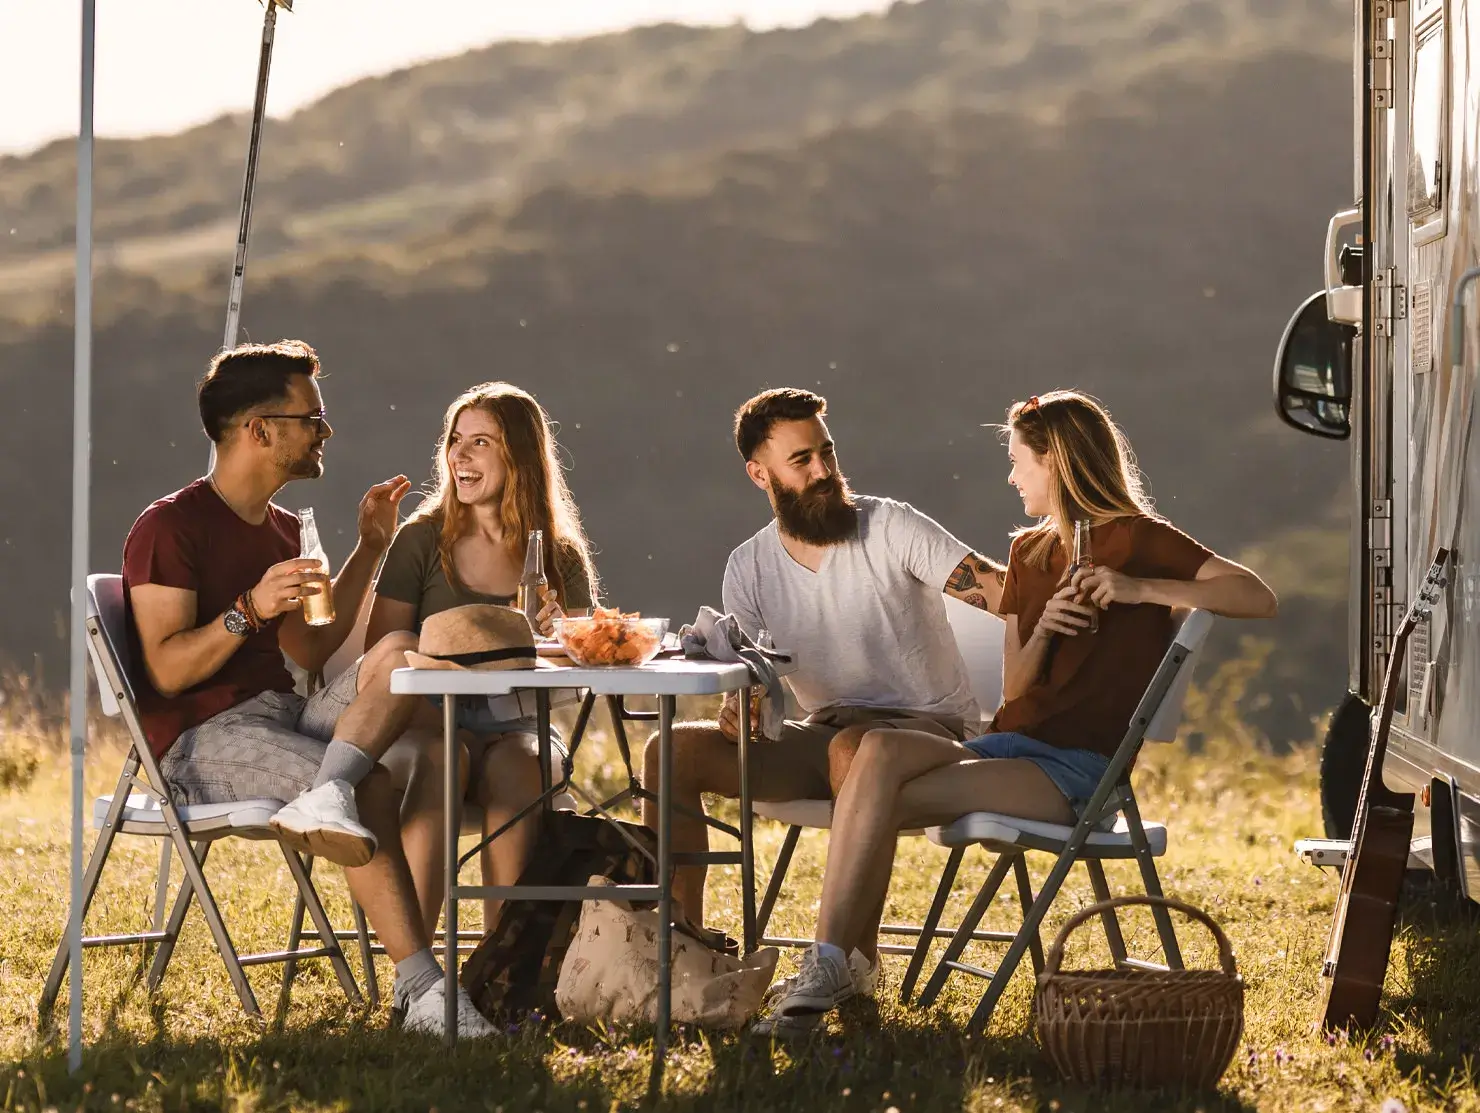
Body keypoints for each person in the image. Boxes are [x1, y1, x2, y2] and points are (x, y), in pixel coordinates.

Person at [759, 389, 1279, 1030]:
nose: (1010, 476)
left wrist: (1139, 588)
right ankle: (840, 965)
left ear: (1056, 464)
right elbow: (1014, 691)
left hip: (1076, 769)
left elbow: (1256, 596)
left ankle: (833, 966)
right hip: (1005, 746)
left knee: (870, 791)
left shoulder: (1137, 540)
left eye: (1019, 462)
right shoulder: (1030, 554)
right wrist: (1045, 630)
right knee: (878, 750)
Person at [123, 339, 495, 1037]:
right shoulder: (170, 525)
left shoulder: (287, 529)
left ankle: (335, 796)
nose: (326, 431)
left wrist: (371, 547)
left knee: (403, 661)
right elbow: (169, 672)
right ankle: (424, 988)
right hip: (204, 739)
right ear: (259, 429)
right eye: (312, 418)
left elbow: (313, 647)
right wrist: (248, 609)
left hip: (286, 713)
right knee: (374, 784)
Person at [646, 387, 1007, 1003]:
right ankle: (686, 952)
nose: (822, 472)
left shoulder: (891, 526)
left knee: (855, 749)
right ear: (759, 474)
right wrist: (744, 707)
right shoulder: (749, 567)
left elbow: (1006, 595)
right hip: (826, 732)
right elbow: (754, 677)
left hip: (929, 734)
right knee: (669, 750)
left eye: (827, 453)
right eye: (801, 461)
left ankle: (849, 968)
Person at [366, 381, 599, 946]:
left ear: (518, 455)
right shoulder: (421, 540)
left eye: (481, 443)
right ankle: (416, 970)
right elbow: (385, 654)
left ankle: (503, 964)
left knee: (523, 767)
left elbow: (587, 663)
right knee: (443, 759)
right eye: (455, 440)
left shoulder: (557, 554)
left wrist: (556, 636)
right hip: (426, 721)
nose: (459, 457)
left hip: (518, 721)